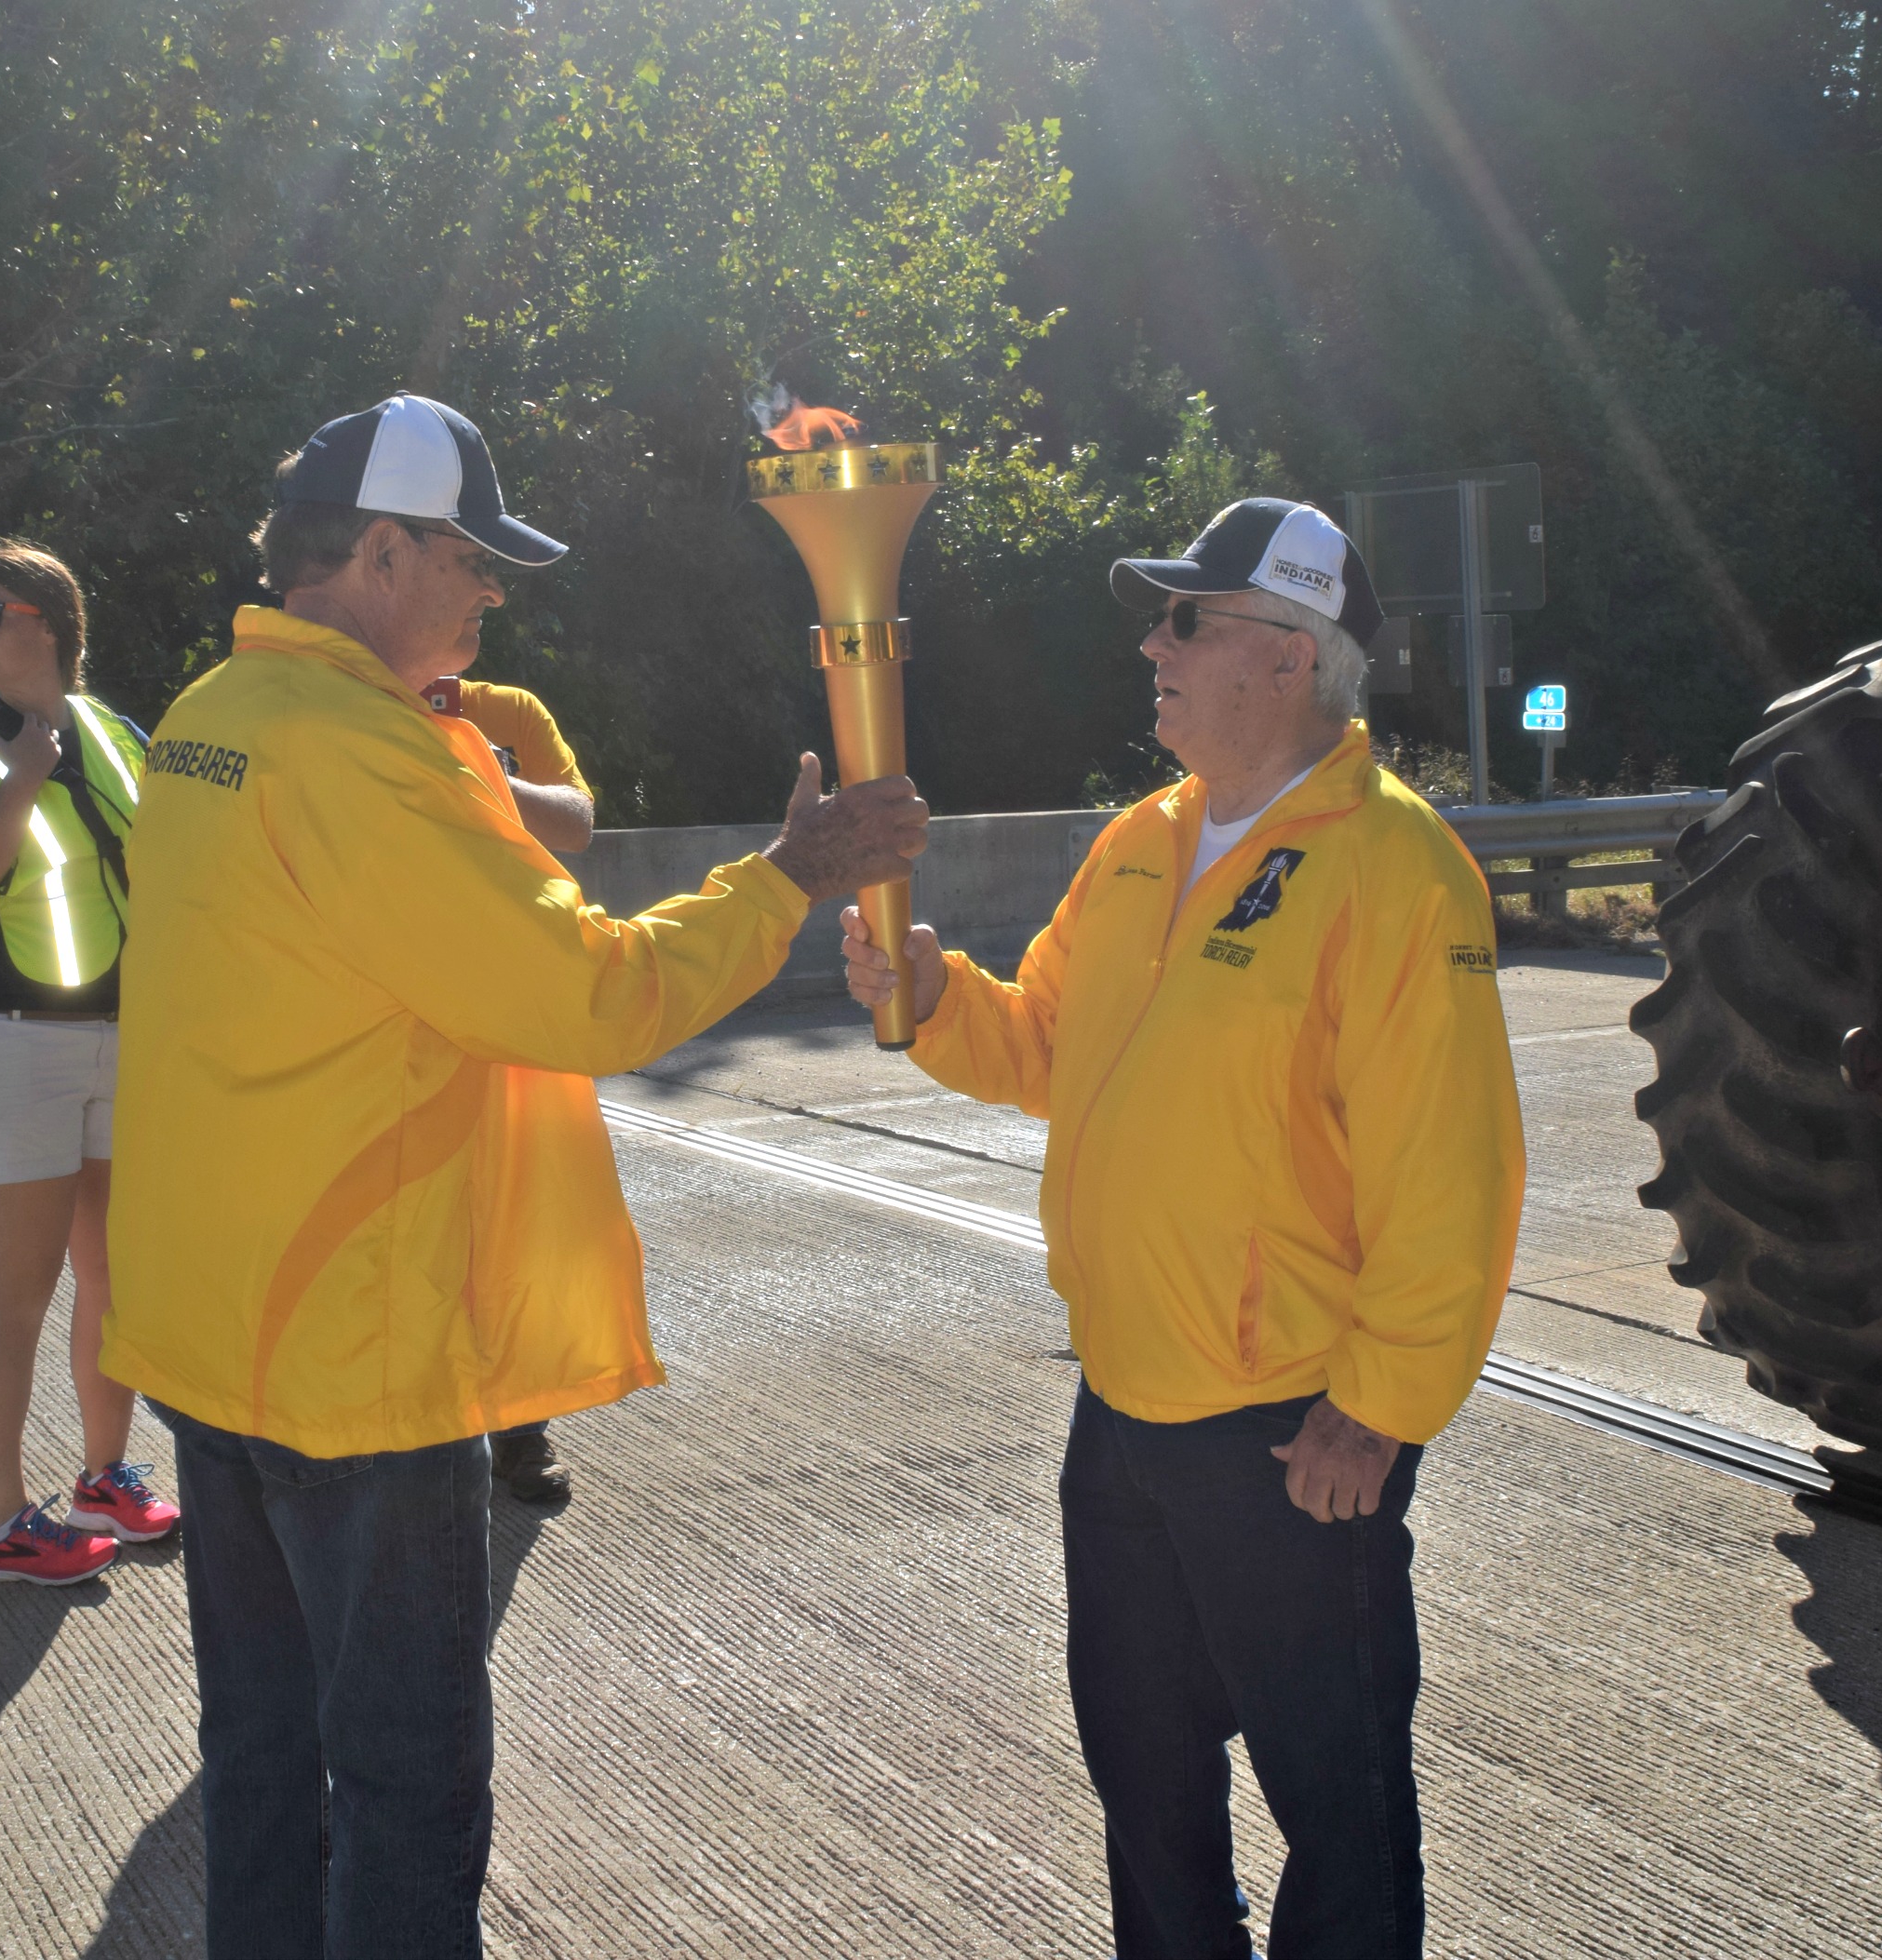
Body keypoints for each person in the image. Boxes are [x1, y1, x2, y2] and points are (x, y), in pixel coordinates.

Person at [99, 393, 927, 1959]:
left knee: (265, 1768)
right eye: (475, 561)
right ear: (385, 553)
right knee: (407, 1789)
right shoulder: (359, 751)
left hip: (215, 1332)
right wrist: (788, 880)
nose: (492, 595)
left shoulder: (215, 712)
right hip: (354, 1358)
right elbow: (588, 994)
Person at [844, 497, 1526, 1960]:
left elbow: (1447, 1174)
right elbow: (1043, 1044)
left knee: (1335, 1807)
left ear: (1288, 655)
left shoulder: (1394, 870)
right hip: (1126, 1405)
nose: (1151, 643)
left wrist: (1381, 1409)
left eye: (1186, 619)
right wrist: (934, 993)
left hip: (1293, 1437)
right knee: (1142, 1783)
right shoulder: (1142, 841)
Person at [0, 535, 183, 1586]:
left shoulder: (121, 733)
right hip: (13, 1046)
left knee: (113, 1278)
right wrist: (23, 775)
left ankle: (106, 1476)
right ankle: (4, 1526)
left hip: (126, 1036)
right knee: (18, 1290)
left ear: (47, 626)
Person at [421, 671, 595, 1507]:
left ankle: (520, 1431)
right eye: (464, 569)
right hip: (404, 998)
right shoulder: (344, 697)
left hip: (507, 995)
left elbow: (578, 822)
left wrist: (486, 768)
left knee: (511, 1216)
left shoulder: (514, 709)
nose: (482, 595)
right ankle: (431, 1425)